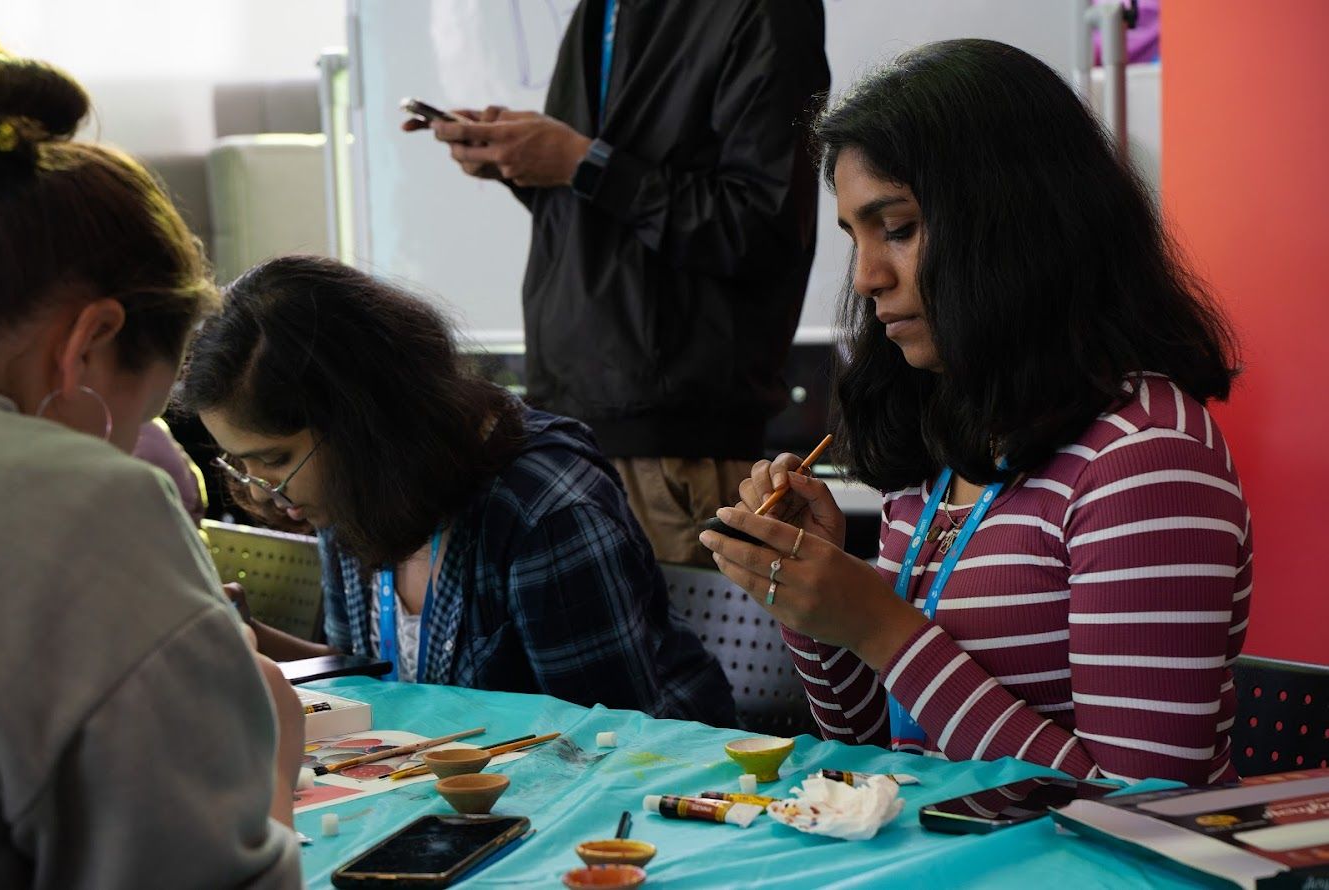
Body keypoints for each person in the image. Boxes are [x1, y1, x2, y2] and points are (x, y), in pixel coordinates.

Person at [700, 39, 1250, 784]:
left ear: (1015, 221)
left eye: (895, 229)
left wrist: (879, 625)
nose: (865, 277)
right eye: (855, 238)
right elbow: (876, 746)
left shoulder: (1142, 457)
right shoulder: (939, 435)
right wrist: (815, 600)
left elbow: (1144, 810)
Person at [181, 255, 736, 727]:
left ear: (363, 423)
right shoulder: (351, 494)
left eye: (274, 459)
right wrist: (247, 638)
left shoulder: (545, 509)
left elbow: (602, 738)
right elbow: (384, 677)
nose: (267, 490)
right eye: (244, 464)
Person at [0, 45, 301, 887]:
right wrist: (267, 762)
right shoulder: (80, 503)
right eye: (133, 420)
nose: (125, 450)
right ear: (87, 342)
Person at [412, 0, 831, 565]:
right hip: (564, 426)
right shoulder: (597, 12)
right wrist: (524, 162)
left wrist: (583, 164)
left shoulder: (760, 11)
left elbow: (761, 230)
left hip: (674, 445)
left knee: (687, 653)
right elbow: (611, 207)